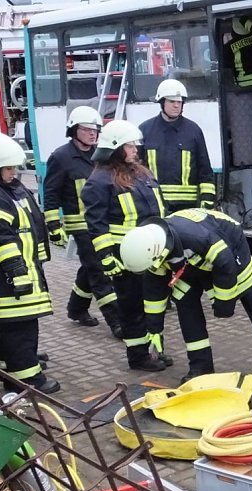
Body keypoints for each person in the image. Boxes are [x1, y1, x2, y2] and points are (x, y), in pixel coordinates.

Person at [119, 208, 252, 383]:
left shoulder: (196, 237)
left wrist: (223, 305)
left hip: (231, 251)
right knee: (186, 308)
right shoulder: (154, 249)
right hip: (192, 265)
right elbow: (154, 295)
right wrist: (155, 330)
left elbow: (225, 265)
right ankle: (200, 367)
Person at [0, 132, 60, 394]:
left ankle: (17, 365)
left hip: (21, 272)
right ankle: (28, 380)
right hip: (9, 277)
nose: (14, 173)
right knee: (21, 327)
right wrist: (18, 272)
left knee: (18, 326)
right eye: (8, 168)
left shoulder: (3, 187)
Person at [82, 120, 171, 372]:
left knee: (155, 306)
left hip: (153, 254)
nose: (135, 150)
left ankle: (156, 350)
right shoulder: (99, 182)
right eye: (130, 146)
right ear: (115, 148)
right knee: (133, 309)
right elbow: (96, 228)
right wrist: (108, 261)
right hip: (126, 258)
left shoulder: (141, 173)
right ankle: (138, 356)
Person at [42, 106, 122, 338]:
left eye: (96, 129)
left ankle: (76, 309)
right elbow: (50, 194)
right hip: (80, 226)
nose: (92, 134)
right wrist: (53, 225)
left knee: (89, 267)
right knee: (99, 270)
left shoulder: (101, 155)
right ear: (74, 130)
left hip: (103, 223)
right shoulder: (61, 157)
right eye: (87, 129)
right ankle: (116, 321)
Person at [139, 79, 215, 212]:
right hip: (154, 206)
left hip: (187, 209)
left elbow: (205, 172)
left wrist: (207, 204)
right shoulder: (145, 130)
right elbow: (136, 170)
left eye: (179, 102)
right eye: (172, 101)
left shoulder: (193, 131)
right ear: (162, 102)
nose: (176, 105)